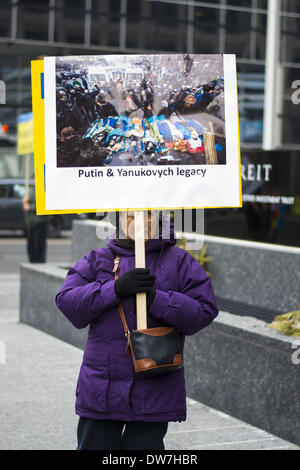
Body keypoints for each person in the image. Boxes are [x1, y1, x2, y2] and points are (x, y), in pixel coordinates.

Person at [55, 211, 218, 450]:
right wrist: (115, 289)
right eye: (130, 215)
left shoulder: (179, 261)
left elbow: (204, 311)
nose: (140, 222)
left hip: (155, 387)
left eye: (149, 215)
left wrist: (157, 300)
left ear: (161, 219)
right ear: (118, 220)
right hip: (103, 387)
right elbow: (67, 301)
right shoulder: (98, 259)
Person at [22, 185, 48, 263]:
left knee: (38, 246)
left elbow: (43, 205)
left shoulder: (43, 190)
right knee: (31, 246)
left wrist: (30, 207)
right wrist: (25, 201)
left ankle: (39, 262)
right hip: (31, 223)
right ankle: (32, 261)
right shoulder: (31, 190)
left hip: (39, 222)